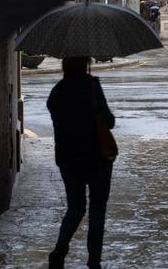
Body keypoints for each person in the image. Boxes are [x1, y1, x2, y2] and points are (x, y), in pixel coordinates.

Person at [46, 57, 115, 269]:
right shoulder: (92, 86)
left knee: (75, 208)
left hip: (68, 159)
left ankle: (60, 248)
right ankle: (93, 262)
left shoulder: (57, 92)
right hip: (97, 158)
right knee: (97, 211)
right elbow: (109, 122)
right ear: (85, 63)